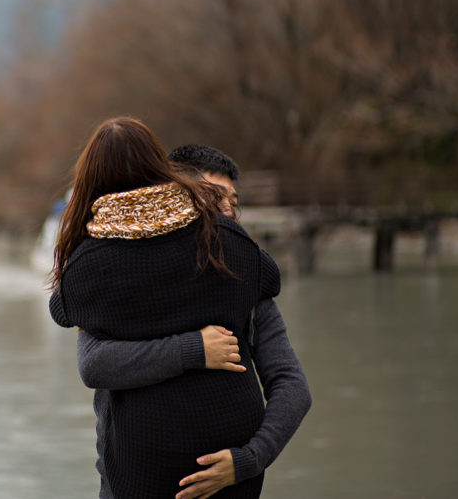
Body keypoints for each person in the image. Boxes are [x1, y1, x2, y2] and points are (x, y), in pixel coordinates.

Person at [49, 117, 286, 498]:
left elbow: (63, 311)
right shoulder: (221, 237)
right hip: (232, 466)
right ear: (159, 164)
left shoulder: (92, 265)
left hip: (143, 468)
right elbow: (269, 278)